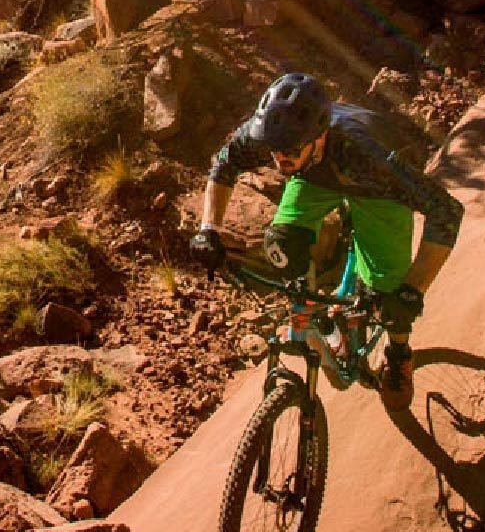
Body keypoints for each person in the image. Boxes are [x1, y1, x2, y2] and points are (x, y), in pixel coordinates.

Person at [188, 71, 462, 401]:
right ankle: (320, 316)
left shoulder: (370, 156)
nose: (278, 159)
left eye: (288, 150)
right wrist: (208, 229)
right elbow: (224, 164)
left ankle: (398, 352)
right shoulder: (273, 136)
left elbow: (446, 212)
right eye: (274, 150)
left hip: (377, 191)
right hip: (315, 176)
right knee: (283, 244)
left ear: (318, 136)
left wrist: (412, 292)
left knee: (392, 296)